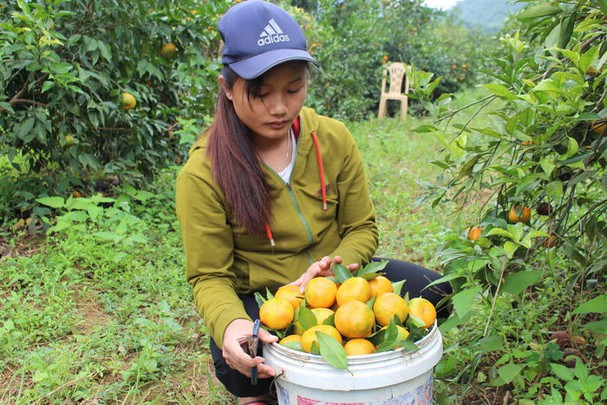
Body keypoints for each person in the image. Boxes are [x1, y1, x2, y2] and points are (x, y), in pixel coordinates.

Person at [175, 1, 451, 403]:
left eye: (293, 89)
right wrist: (233, 325)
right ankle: (261, 391)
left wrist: (333, 268)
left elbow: (361, 228)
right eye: (261, 92)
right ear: (228, 90)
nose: (280, 107)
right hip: (269, 298)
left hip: (338, 282)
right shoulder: (204, 173)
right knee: (239, 365)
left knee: (437, 291)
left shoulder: (333, 138)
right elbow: (209, 277)